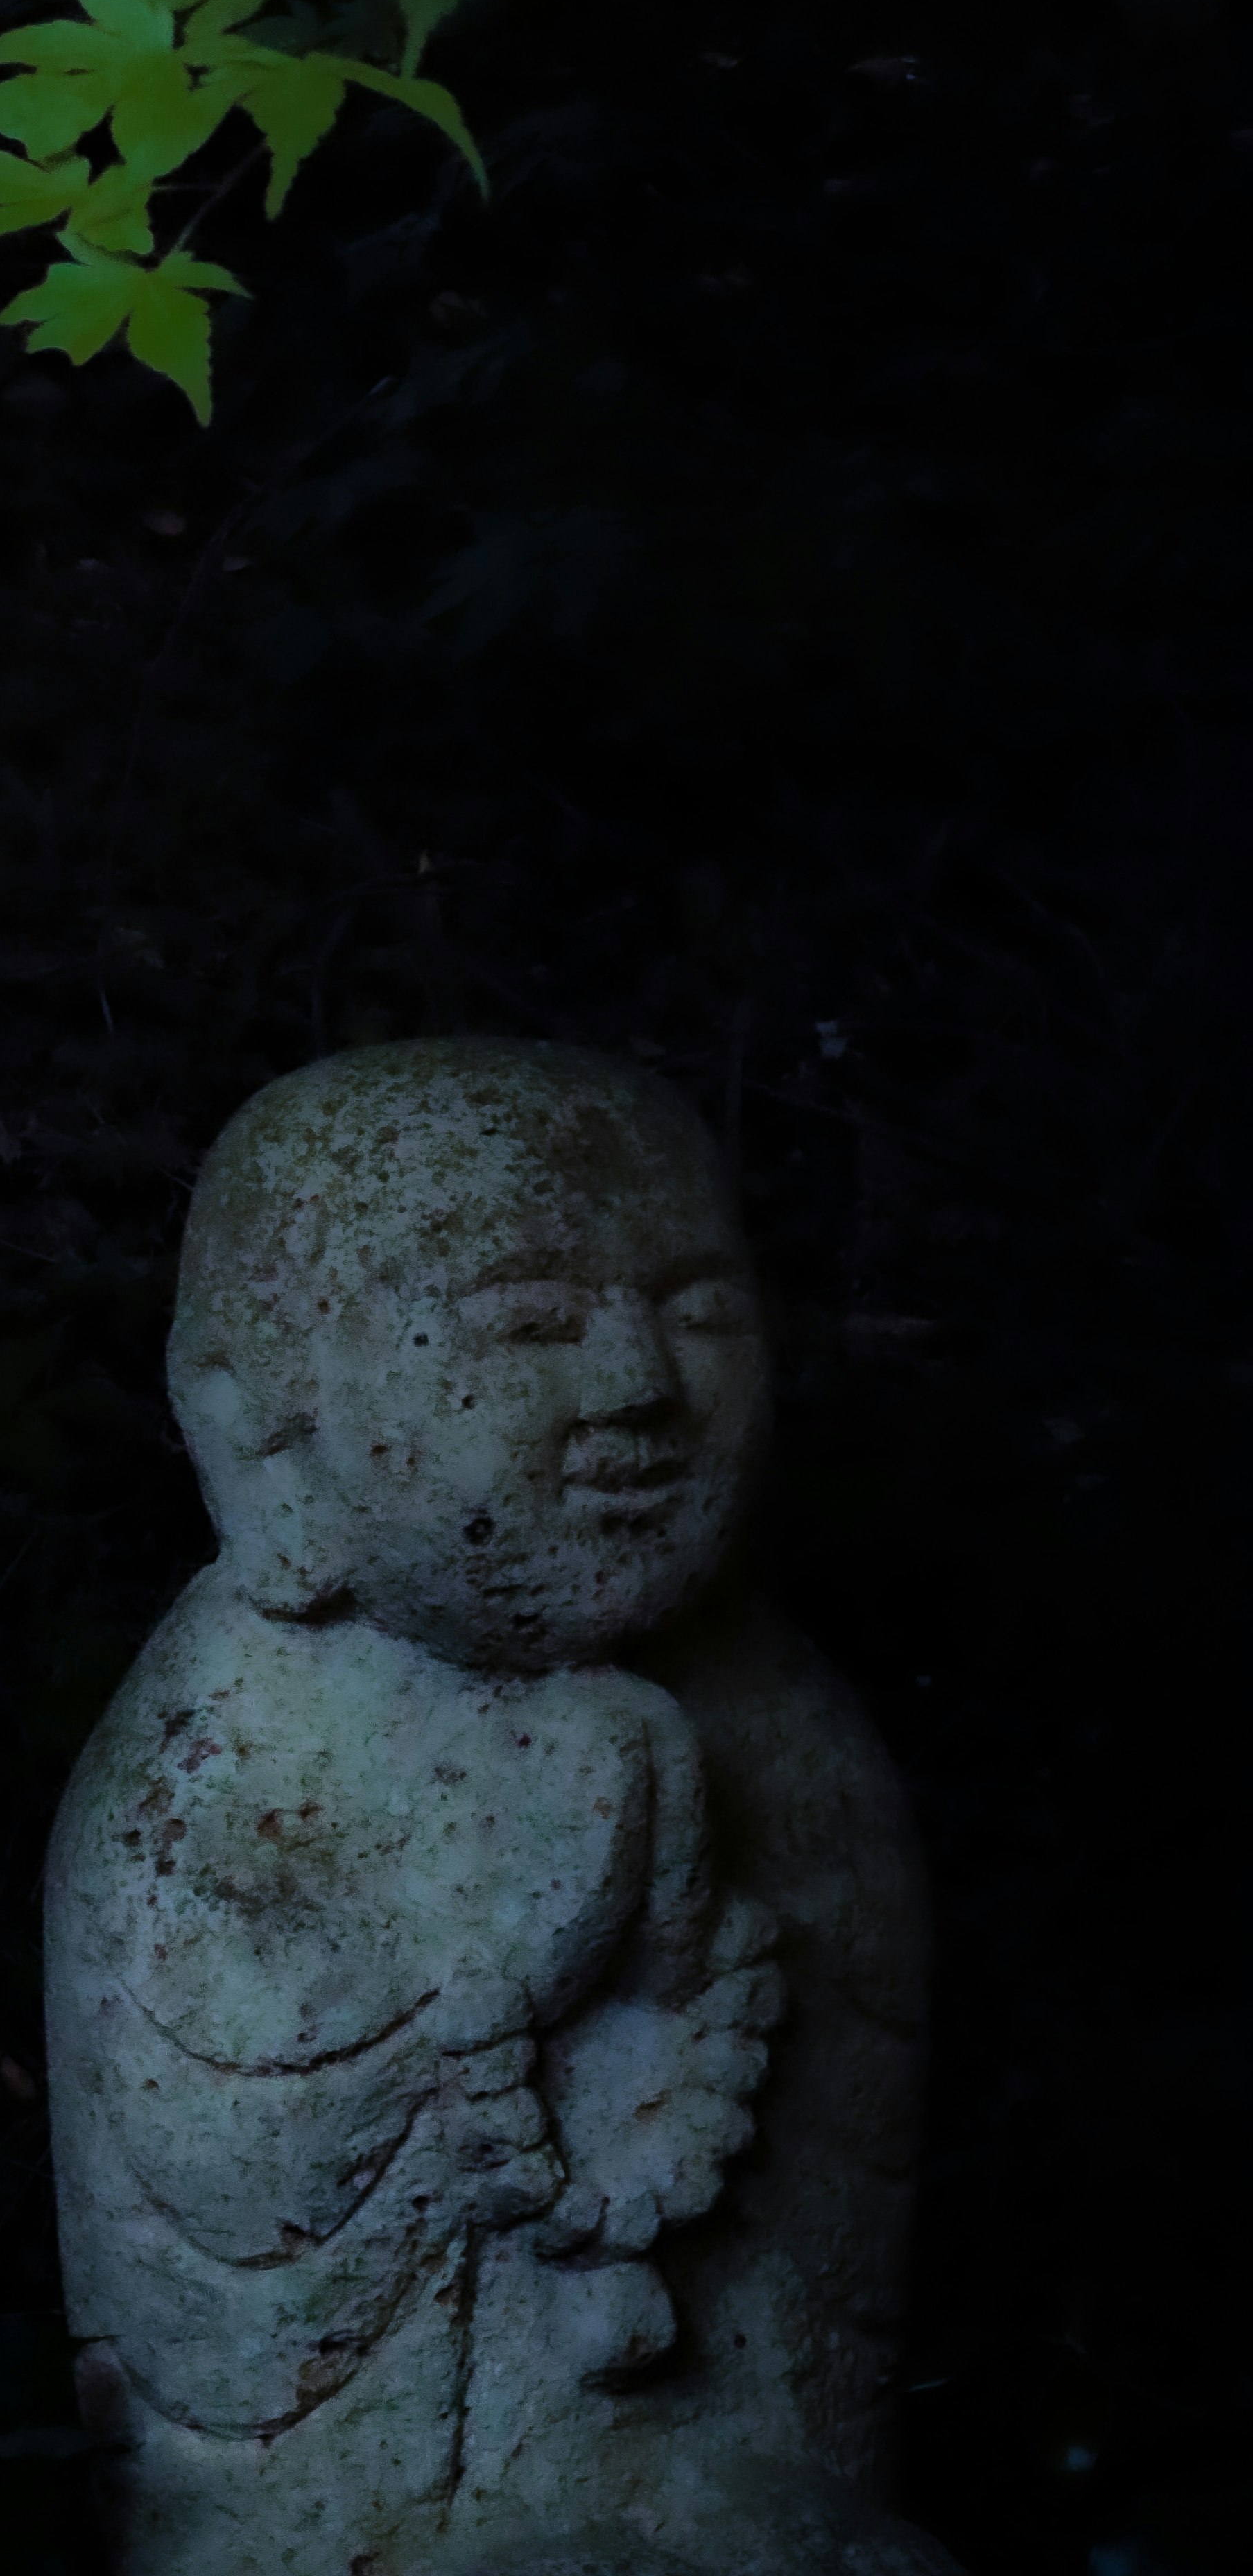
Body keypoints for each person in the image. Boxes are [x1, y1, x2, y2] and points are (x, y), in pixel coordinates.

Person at [45, 1039, 942, 2576]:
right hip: (328, 2497)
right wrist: (485, 1937)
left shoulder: (780, 1726)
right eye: (526, 1325)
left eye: (699, 1308)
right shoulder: (220, 1762)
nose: (639, 1386)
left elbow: (822, 2236)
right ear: (265, 1427)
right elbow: (218, 2216)